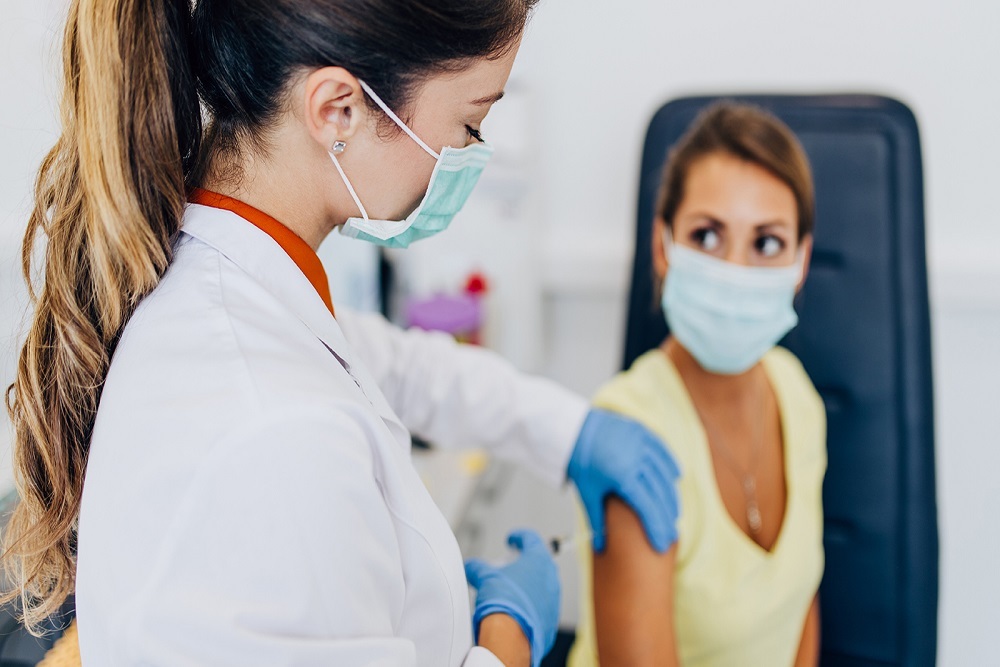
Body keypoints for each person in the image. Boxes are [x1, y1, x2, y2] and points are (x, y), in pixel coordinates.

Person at [0, 1, 681, 665]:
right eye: (470, 124)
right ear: (337, 110)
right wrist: (509, 639)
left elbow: (389, 361)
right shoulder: (270, 427)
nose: (472, 154)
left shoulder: (233, 278)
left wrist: (569, 432)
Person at [568, 103, 827, 667]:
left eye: (766, 244)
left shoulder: (796, 393)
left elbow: (800, 605)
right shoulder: (630, 436)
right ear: (663, 247)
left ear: (802, 261)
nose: (735, 270)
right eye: (707, 236)